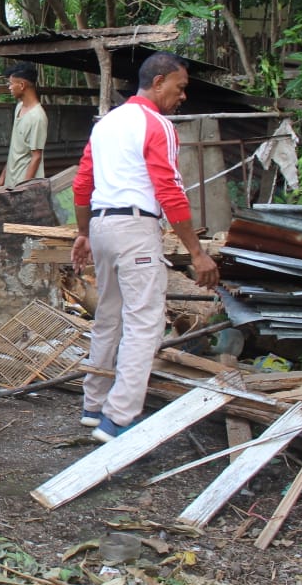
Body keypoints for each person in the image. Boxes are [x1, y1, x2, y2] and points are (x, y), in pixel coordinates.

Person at [70, 52, 219, 444]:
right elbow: (169, 189)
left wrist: (84, 232)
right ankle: (118, 419)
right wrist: (198, 252)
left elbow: (83, 182)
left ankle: (94, 404)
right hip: (134, 226)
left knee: (109, 315)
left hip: (102, 225)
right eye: (180, 87)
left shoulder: (106, 124)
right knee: (144, 321)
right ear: (159, 82)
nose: (182, 95)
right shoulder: (157, 124)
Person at [0, 63, 48, 187]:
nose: (9, 87)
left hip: (24, 186)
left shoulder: (37, 116)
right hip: (11, 182)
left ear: (22, 85)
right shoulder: (19, 107)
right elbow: (15, 149)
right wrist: (2, 177)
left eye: (11, 84)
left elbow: (36, 157)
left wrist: (22, 189)